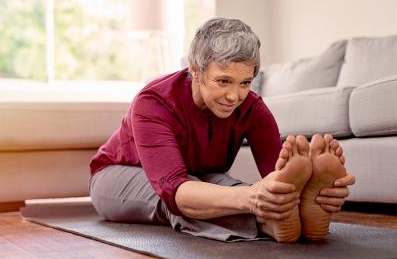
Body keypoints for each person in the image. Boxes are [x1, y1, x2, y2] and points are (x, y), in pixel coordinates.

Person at [89, 18, 355, 243]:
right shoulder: (153, 102)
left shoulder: (252, 107)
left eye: (245, 82)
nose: (234, 96)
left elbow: (278, 178)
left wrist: (315, 192)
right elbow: (174, 189)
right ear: (195, 70)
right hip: (119, 174)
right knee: (186, 199)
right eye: (223, 81)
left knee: (227, 187)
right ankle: (265, 223)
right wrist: (252, 197)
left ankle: (282, 218)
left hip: (197, 176)